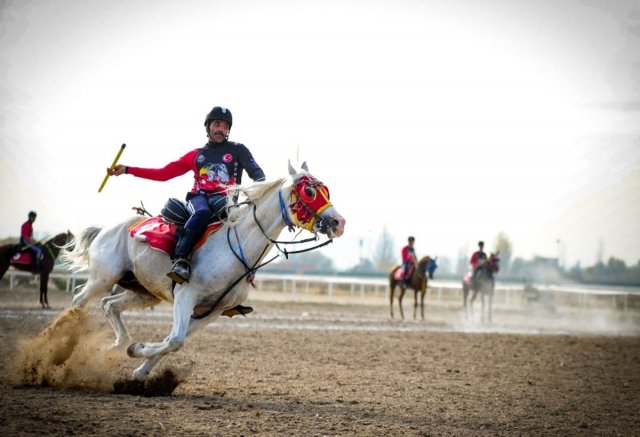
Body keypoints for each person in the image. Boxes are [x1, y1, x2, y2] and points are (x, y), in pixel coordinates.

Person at [107, 106, 266, 284]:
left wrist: (259, 192)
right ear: (208, 127)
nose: (221, 129)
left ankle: (248, 269)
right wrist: (128, 170)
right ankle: (180, 260)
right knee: (203, 212)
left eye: (225, 126)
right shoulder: (195, 155)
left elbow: (258, 174)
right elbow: (163, 173)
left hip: (225, 201)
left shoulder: (238, 150)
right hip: (199, 199)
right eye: (217, 124)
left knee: (249, 223)